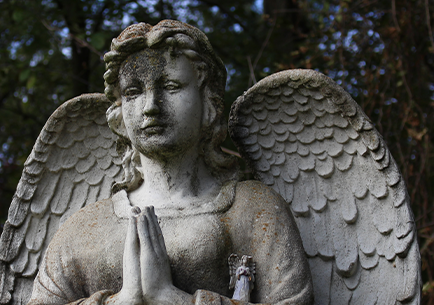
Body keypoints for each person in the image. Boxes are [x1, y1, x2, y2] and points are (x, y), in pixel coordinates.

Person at [28, 20, 313, 305]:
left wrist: (174, 299)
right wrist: (121, 301)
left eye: (171, 86)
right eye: (133, 92)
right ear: (119, 111)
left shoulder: (252, 209)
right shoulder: (84, 228)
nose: (151, 106)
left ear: (207, 101)